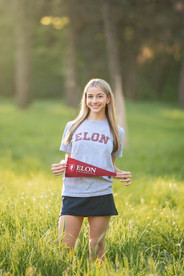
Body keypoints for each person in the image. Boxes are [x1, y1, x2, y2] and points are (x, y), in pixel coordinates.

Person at [51, 78, 131, 263]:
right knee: (64, 247)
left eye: (99, 96)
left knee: (97, 248)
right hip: (73, 192)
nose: (94, 101)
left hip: (100, 193)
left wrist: (120, 173)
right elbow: (69, 162)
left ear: (108, 99)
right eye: (90, 96)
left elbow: (107, 166)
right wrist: (59, 166)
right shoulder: (72, 126)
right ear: (85, 99)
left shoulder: (117, 132)